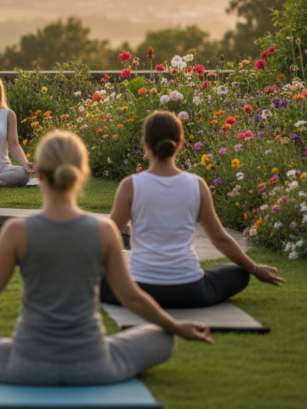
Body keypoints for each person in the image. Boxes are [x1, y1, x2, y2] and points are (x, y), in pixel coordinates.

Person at [0, 130, 213, 386]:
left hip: (25, 367)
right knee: (163, 338)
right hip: (95, 367)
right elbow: (132, 298)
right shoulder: (104, 231)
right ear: (82, 174)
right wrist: (176, 326)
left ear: (39, 175)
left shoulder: (17, 231)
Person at [100, 111, 284, 309]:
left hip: (141, 291)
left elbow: (109, 235)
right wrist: (255, 269)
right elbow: (220, 239)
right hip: (190, 292)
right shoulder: (196, 185)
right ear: (180, 142)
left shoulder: (131, 185)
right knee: (240, 273)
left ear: (146, 145)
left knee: (97, 278)